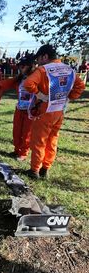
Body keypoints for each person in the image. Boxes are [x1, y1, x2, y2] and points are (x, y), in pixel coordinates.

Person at [23, 44, 85, 179]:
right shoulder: (69, 70)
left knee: (39, 139)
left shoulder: (43, 70)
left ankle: (34, 170)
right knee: (52, 139)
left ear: (45, 56)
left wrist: (39, 95)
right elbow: (80, 85)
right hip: (60, 110)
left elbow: (28, 84)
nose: (37, 62)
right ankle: (45, 168)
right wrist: (70, 96)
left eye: (38, 58)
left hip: (45, 109)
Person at [0, 54, 35, 160]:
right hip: (19, 109)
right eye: (20, 66)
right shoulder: (19, 79)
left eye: (24, 66)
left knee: (27, 133)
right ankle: (17, 150)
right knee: (16, 131)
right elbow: (3, 84)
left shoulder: (37, 77)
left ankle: (23, 153)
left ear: (30, 66)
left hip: (31, 111)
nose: (21, 68)